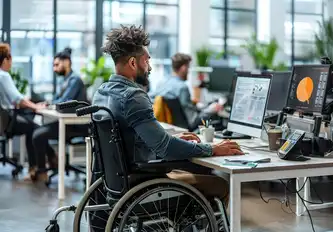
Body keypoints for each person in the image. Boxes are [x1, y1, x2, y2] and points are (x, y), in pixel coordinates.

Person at [93, 25, 243, 204]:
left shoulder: (101, 93)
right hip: (143, 184)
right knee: (219, 185)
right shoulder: (133, 97)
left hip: (117, 183)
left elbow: (132, 141)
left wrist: (172, 138)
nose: (149, 67)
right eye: (147, 61)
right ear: (133, 63)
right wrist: (212, 149)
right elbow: (165, 148)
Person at [31, 48, 88, 182]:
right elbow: (57, 99)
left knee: (38, 135)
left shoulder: (75, 80)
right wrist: (48, 103)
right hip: (65, 122)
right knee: (36, 130)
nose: (54, 68)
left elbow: (63, 102)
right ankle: (52, 160)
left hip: (75, 125)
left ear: (67, 62)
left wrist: (52, 104)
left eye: (57, 65)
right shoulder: (65, 80)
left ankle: (43, 171)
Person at [0, 43, 46, 178]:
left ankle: (40, 165)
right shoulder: (3, 76)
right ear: (5, 60)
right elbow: (18, 99)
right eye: (10, 59)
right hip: (8, 120)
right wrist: (36, 106)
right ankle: (37, 167)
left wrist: (30, 105)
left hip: (5, 119)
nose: (11, 63)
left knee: (32, 124)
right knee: (35, 129)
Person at [149, 53, 223, 130]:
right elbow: (193, 121)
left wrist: (195, 105)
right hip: (182, 130)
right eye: (188, 67)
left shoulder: (161, 82)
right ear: (184, 68)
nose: (189, 71)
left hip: (164, 127)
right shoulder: (182, 88)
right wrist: (210, 110)